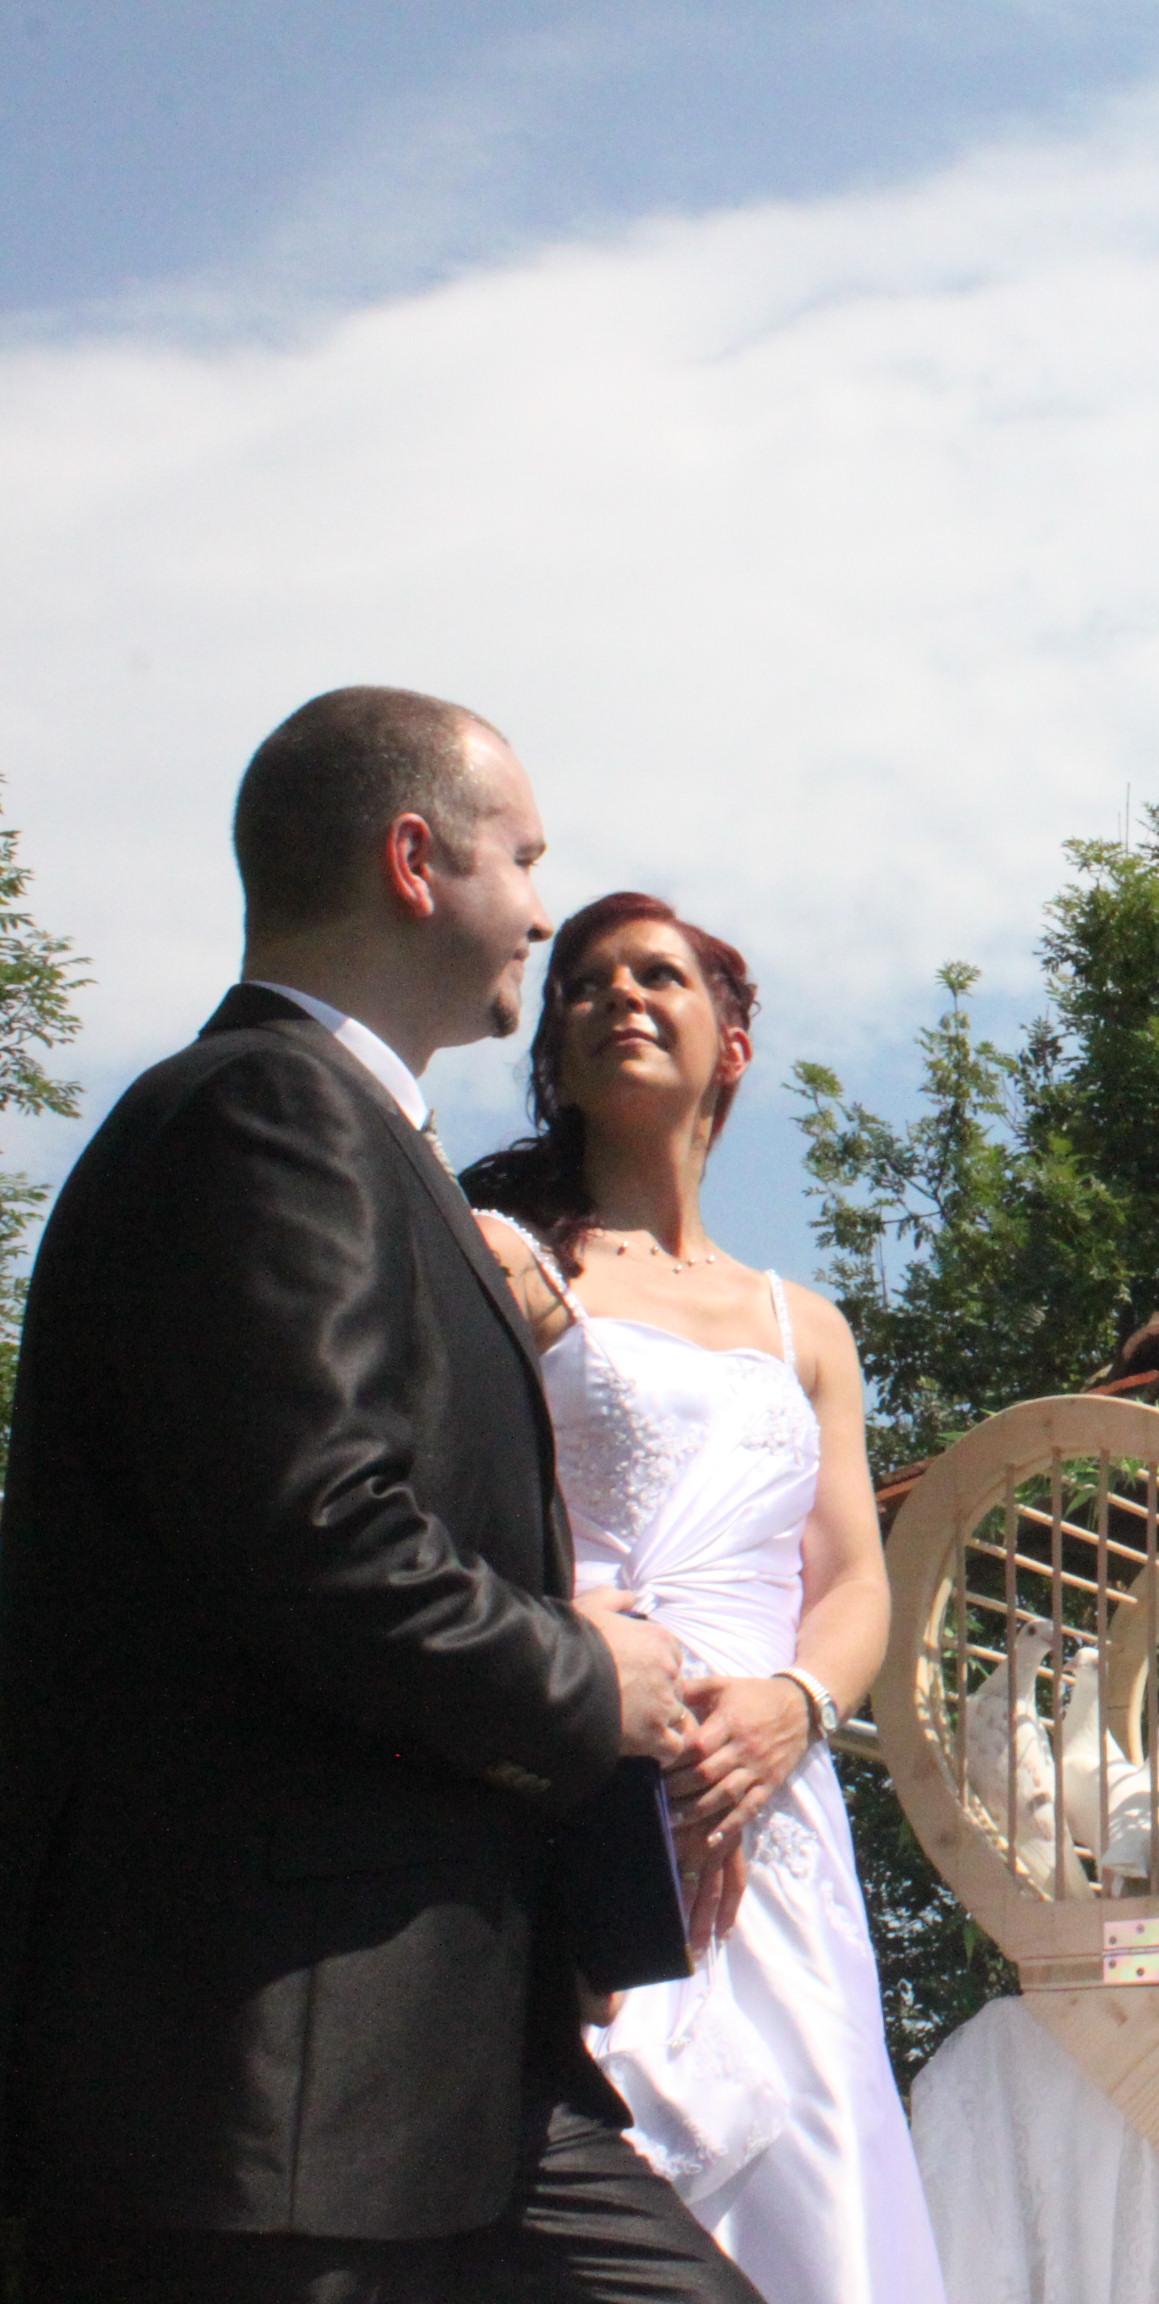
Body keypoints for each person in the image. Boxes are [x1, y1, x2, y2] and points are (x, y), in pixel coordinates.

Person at [0, 687, 763, 2302]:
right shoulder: (268, 1117)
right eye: (524, 858)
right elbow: (313, 1536)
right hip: (280, 2093)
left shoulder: (362, 1140)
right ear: (417, 861)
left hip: (454, 2071)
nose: (543, 910)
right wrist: (585, 1673)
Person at [461, 891, 945, 2304]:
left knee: (810, 2186)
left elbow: (854, 1580)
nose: (618, 995)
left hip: (771, 1810)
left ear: (730, 1040)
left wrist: (794, 1710)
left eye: (658, 974)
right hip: (589, 1773)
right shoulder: (506, 1257)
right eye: (583, 982)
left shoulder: (807, 1327)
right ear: (551, 1054)